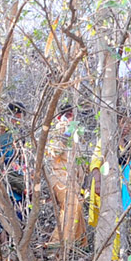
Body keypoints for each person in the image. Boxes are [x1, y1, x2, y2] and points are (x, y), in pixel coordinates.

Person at [88, 110, 131, 261]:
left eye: (130, 123)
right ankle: (110, 258)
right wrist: (98, 183)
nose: (127, 126)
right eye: (124, 122)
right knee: (109, 221)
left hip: (123, 187)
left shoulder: (127, 144)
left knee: (120, 221)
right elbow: (95, 162)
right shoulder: (107, 140)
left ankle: (118, 256)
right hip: (107, 185)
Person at [45, 104, 86, 245]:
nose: (71, 118)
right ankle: (56, 244)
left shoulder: (77, 134)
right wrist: (65, 134)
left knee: (78, 206)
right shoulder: (58, 130)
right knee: (72, 205)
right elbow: (52, 152)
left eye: (72, 115)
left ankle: (80, 244)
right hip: (59, 176)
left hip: (73, 180)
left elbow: (80, 163)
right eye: (67, 115)